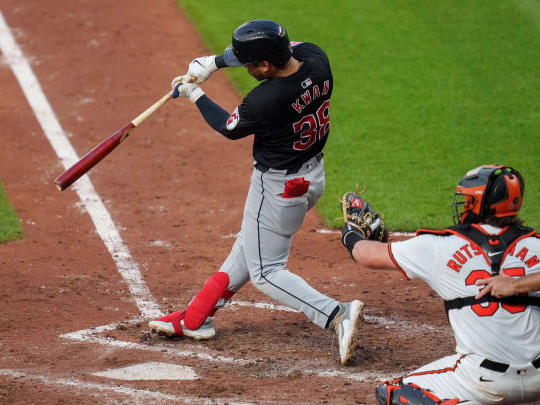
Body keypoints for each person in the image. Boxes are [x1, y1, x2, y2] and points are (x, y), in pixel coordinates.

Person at [147, 19, 364, 366]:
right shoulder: (316, 58)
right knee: (250, 247)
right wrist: (215, 63)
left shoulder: (265, 100)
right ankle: (196, 316)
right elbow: (291, 50)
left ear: (264, 65)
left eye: (249, 64)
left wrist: (194, 92)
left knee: (266, 271)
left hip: (277, 188)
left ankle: (336, 314)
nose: (246, 68)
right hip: (311, 177)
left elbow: (229, 127)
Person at [340, 165, 540, 404]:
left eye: (467, 200)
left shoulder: (440, 247)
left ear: (477, 205)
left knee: (394, 393)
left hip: (480, 380)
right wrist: (518, 284)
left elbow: (366, 255)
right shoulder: (536, 245)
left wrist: (351, 232)